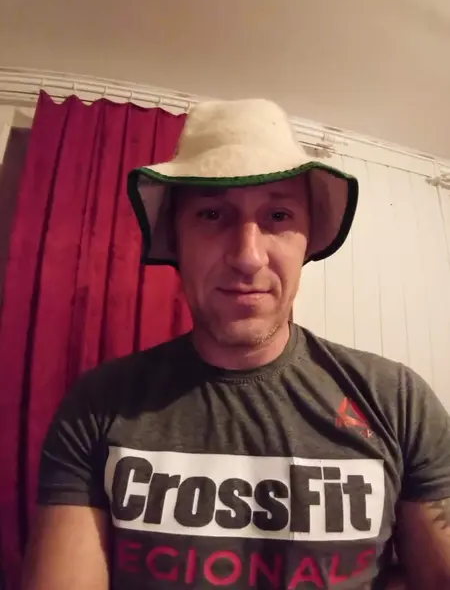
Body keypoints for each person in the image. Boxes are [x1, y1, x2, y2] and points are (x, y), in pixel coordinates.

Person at [22, 99, 450, 590]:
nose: (248, 257)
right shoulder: (98, 404)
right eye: (211, 214)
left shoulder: (396, 400)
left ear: (306, 242)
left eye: (278, 214)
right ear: (177, 241)